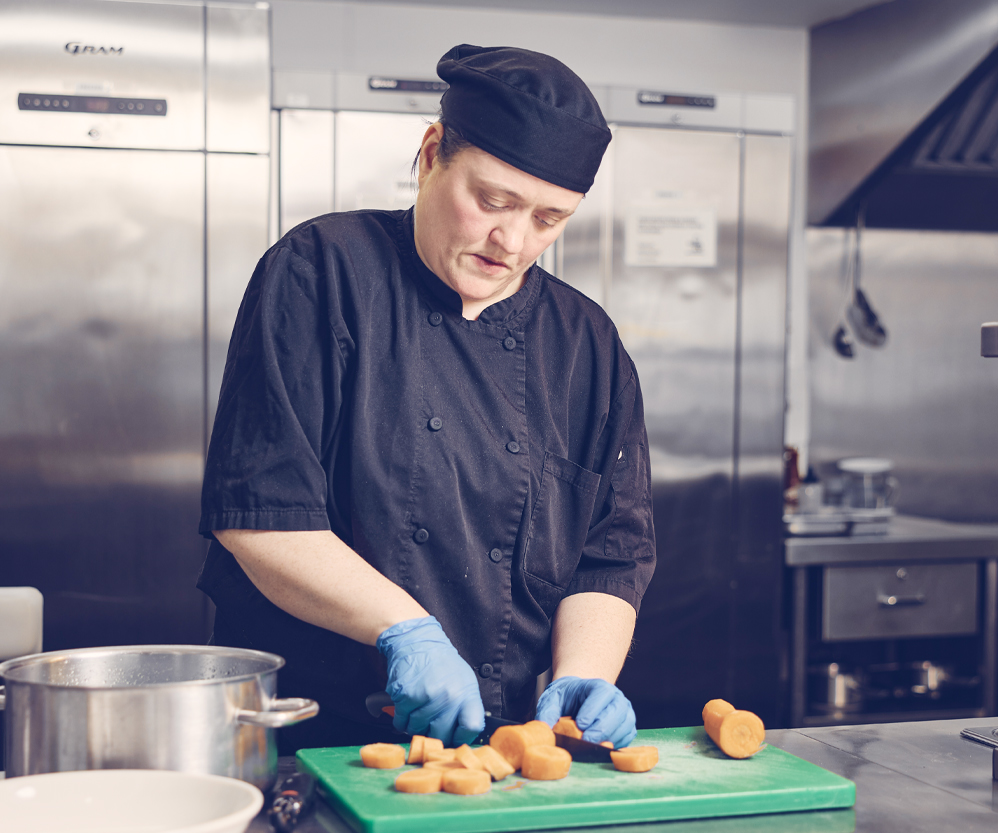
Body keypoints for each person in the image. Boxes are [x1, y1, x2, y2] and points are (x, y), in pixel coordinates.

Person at [198, 44, 655, 752]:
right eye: (492, 200)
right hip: (306, 739)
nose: (512, 240)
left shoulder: (587, 343)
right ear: (431, 152)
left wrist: (585, 674)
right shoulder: (321, 272)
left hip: (491, 748)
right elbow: (261, 513)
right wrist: (405, 628)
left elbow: (610, 555)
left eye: (549, 219)